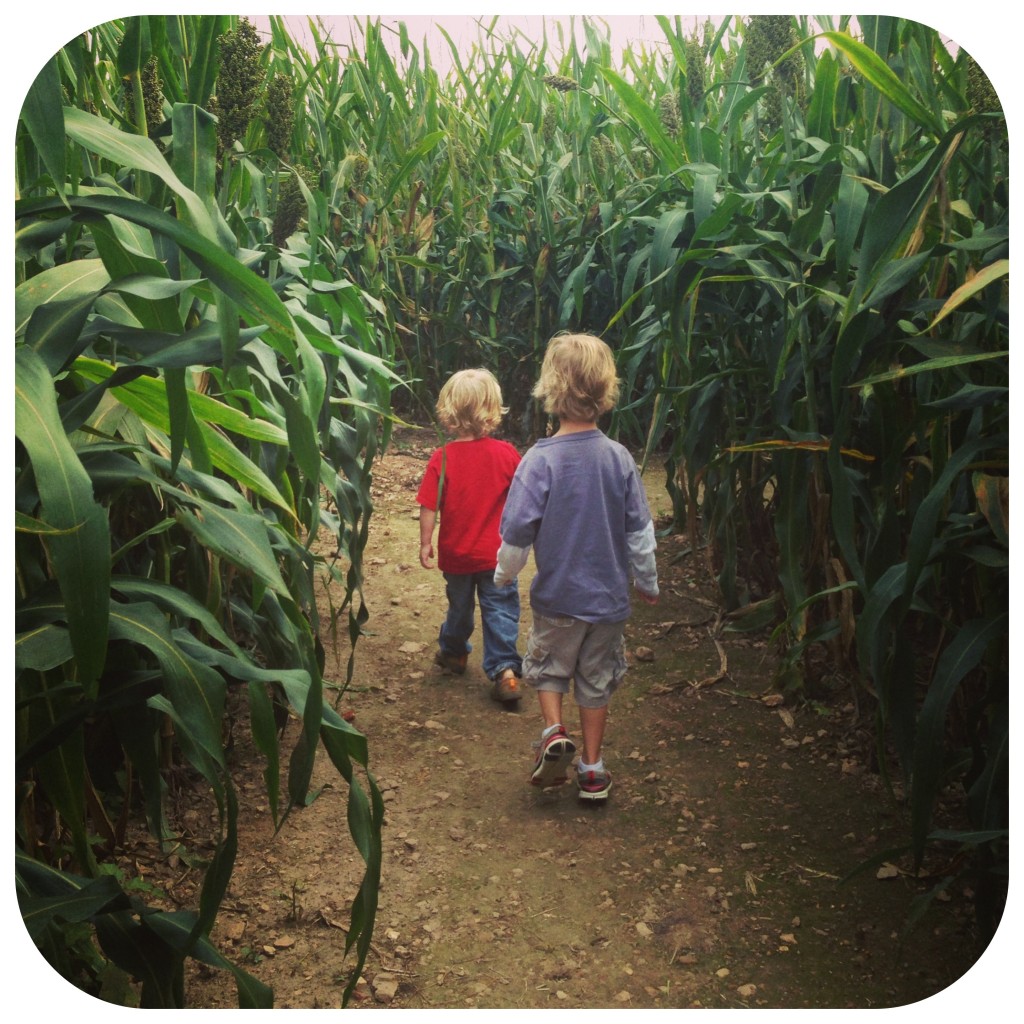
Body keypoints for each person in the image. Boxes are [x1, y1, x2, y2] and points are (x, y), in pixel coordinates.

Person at [494, 333, 659, 802]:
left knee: (548, 670)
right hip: (608, 604)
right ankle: (592, 768)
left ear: (551, 389)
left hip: (559, 599)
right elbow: (639, 533)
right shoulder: (619, 459)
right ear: (606, 390)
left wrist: (505, 576)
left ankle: (552, 733)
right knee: (595, 681)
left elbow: (517, 533)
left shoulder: (539, 461)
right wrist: (646, 582)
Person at [417, 368, 524, 704]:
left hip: (457, 555)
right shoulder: (506, 454)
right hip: (498, 556)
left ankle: (453, 653)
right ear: (492, 411)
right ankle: (505, 671)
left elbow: (428, 507)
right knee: (500, 610)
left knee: (459, 609)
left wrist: (425, 542)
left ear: (449, 413)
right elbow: (524, 497)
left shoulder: (443, 458)